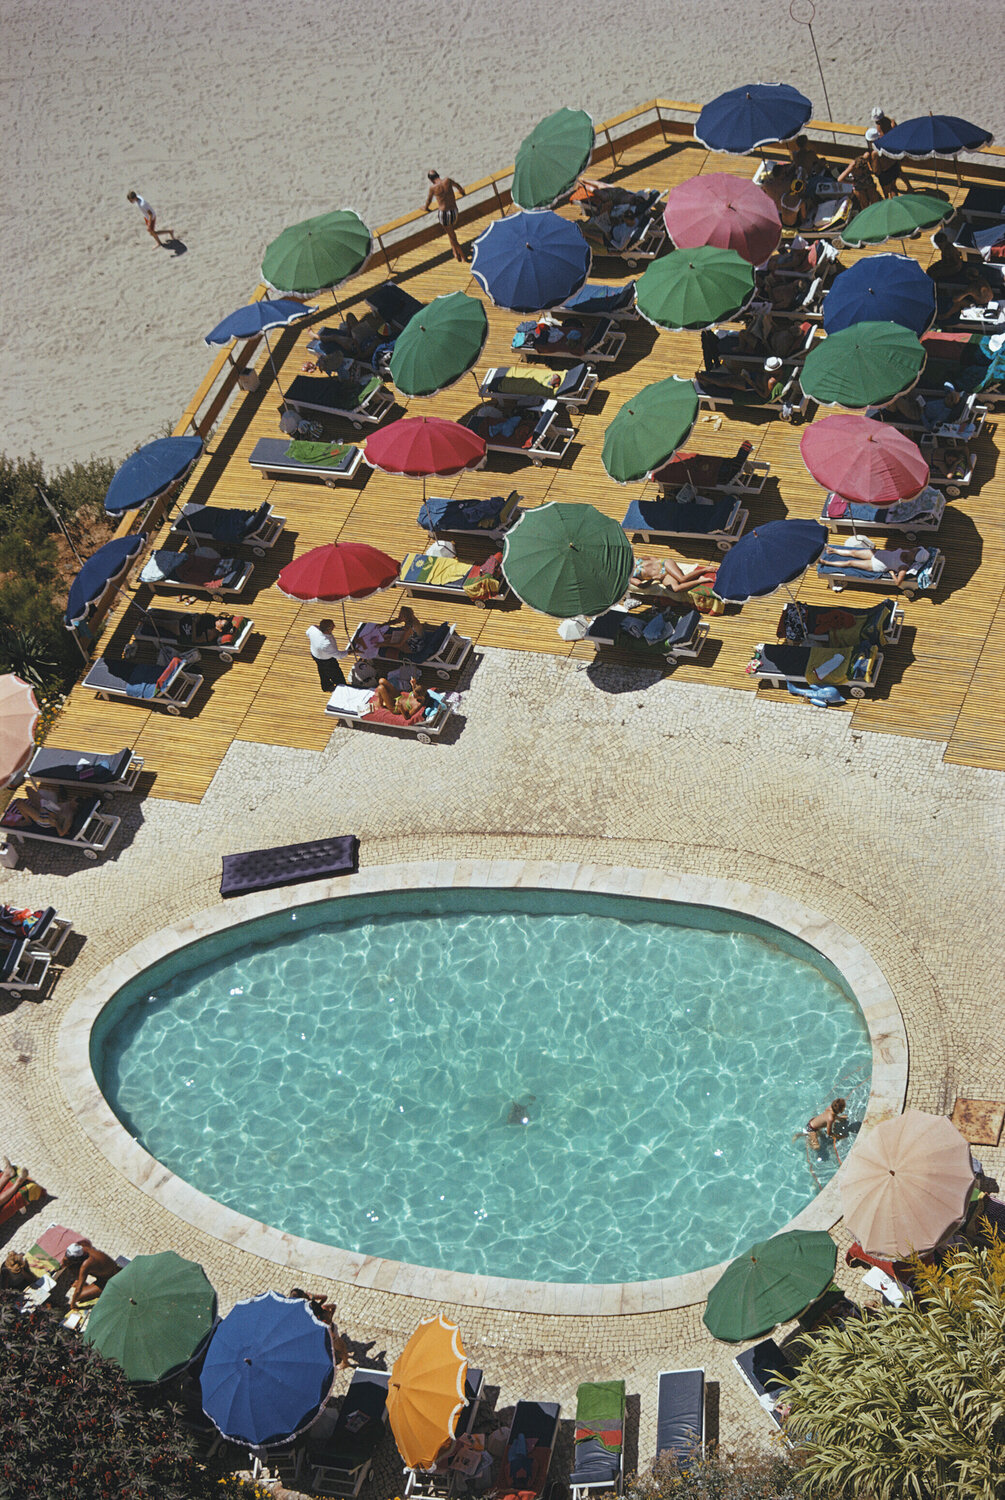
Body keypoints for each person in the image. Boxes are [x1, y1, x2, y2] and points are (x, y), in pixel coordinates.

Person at [820, 541, 931, 586]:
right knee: (853, 552)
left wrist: (892, 574)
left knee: (850, 562)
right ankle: (833, 550)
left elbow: (898, 583)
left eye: (916, 550)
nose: (915, 548)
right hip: (878, 554)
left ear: (915, 555)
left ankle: (827, 562)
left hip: (877, 565)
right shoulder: (907, 550)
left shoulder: (904, 567)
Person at [62, 1238, 121, 1309]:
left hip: (111, 1280)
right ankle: (84, 1283)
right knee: (71, 1266)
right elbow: (65, 1261)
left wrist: (73, 1304)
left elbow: (78, 1291)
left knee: (79, 1297)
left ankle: (85, 1285)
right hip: (110, 1271)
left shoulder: (86, 1264)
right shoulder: (84, 1248)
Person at [424, 170, 467, 261]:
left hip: (444, 214)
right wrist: (462, 192)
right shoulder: (447, 180)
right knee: (450, 232)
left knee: (452, 236)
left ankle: (462, 256)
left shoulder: (433, 188)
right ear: (438, 175)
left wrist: (425, 208)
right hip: (454, 211)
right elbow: (458, 186)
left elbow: (429, 201)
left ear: (430, 180)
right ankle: (455, 252)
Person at [305, 619, 348, 693]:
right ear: (328, 629)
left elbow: (307, 633)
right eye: (332, 626)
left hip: (315, 655)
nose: (334, 626)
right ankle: (342, 691)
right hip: (326, 660)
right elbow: (338, 656)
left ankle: (326, 686)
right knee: (337, 676)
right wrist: (350, 652)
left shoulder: (312, 629)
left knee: (322, 670)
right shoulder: (327, 643)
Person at [631, 557, 717, 589]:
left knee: (682, 579)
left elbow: (651, 558)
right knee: (676, 588)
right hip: (662, 576)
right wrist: (653, 579)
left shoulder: (634, 558)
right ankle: (700, 580)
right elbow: (641, 586)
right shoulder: (629, 576)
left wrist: (658, 562)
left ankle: (705, 570)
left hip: (664, 564)